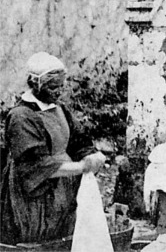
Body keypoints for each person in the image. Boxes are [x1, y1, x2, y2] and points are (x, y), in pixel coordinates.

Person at [0, 52, 106, 245]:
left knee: (65, 234)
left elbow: (78, 141)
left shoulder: (59, 109)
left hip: (64, 184)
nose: (58, 92)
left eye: (61, 86)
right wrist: (81, 167)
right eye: (52, 87)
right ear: (35, 84)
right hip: (34, 193)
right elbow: (35, 165)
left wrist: (92, 155)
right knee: (39, 237)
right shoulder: (21, 117)